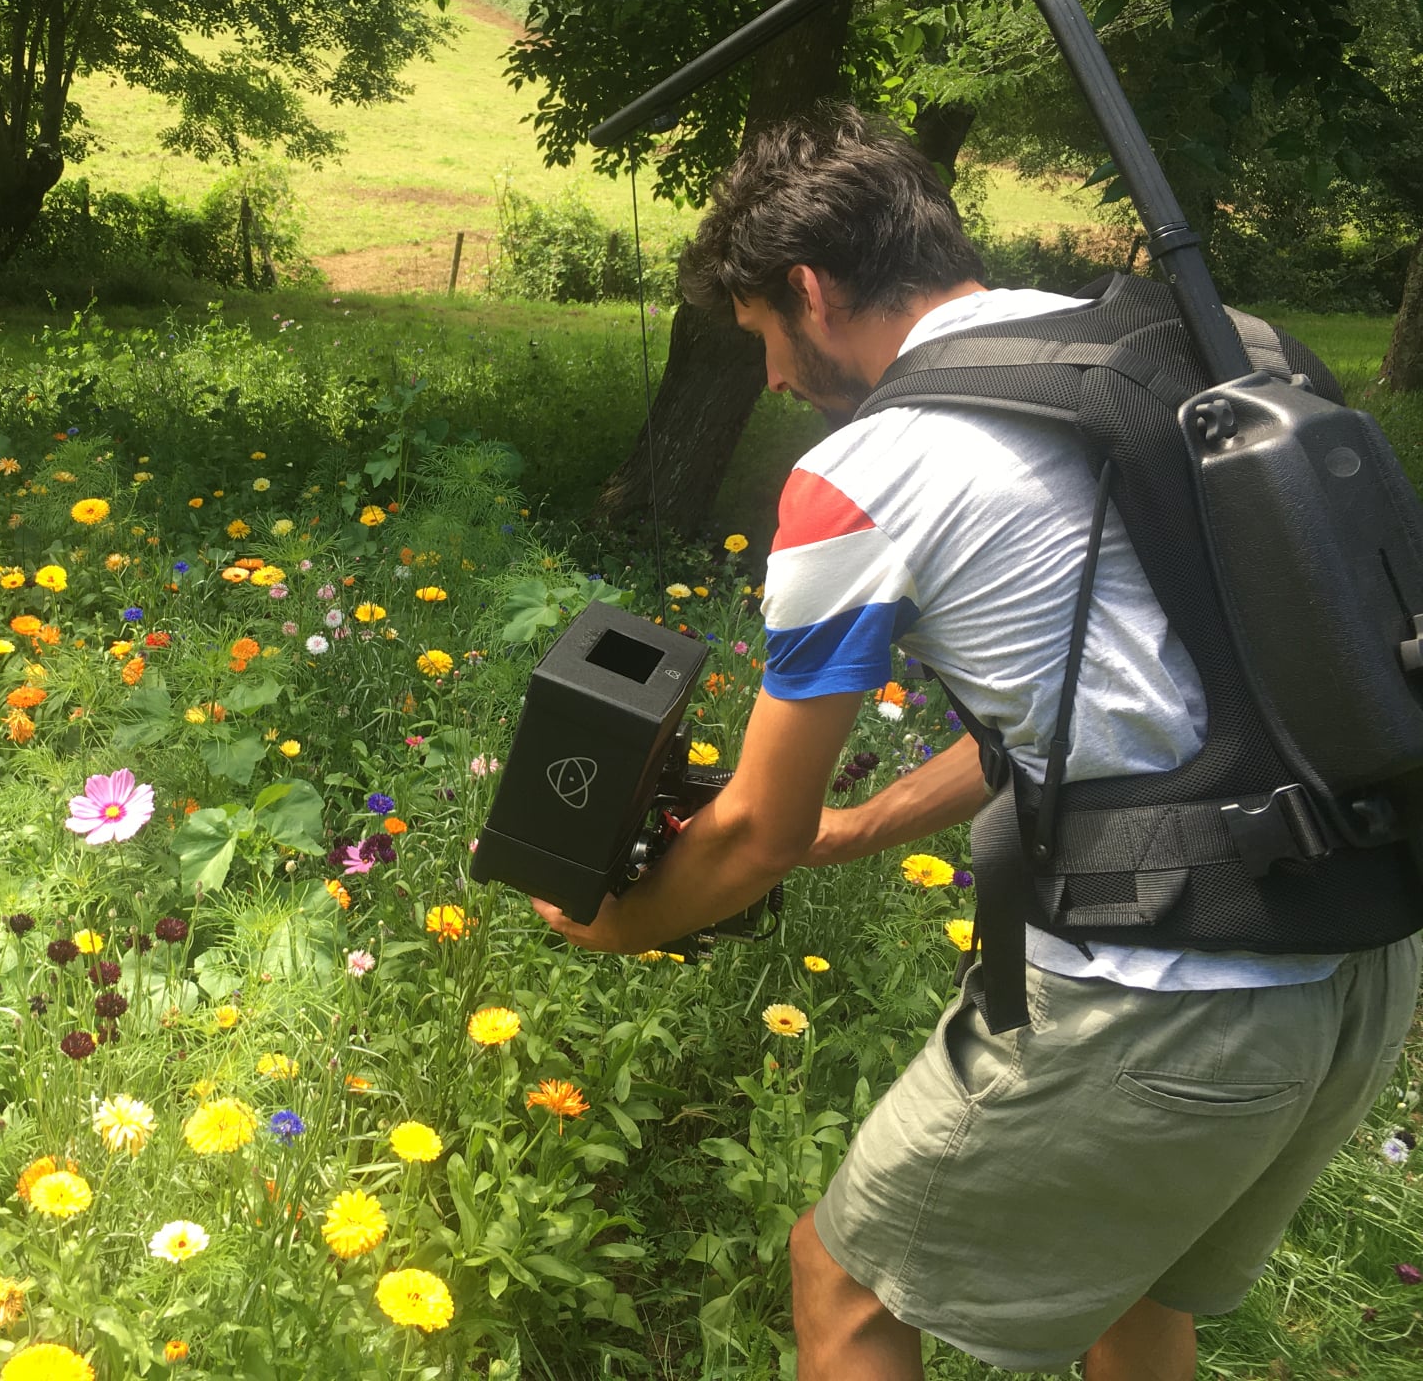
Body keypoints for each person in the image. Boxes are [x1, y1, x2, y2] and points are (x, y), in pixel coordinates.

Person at [531, 103, 1420, 1379]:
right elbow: (1123, 714)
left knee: (843, 1290)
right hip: (1352, 963)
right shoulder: (1155, 362)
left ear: (808, 288)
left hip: (1166, 998)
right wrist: (869, 823)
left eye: (764, 343)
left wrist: (614, 922)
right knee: (1135, 1295)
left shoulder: (870, 471)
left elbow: (756, 830)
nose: (774, 381)